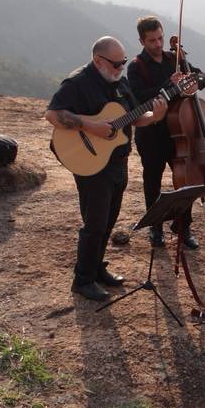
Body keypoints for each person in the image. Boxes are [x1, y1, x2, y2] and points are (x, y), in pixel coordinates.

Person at [45, 37, 167, 302]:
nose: (121, 67)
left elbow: (136, 116)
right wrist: (90, 127)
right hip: (90, 163)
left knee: (109, 220)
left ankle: (97, 269)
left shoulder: (119, 82)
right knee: (95, 223)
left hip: (117, 161)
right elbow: (53, 115)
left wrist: (155, 116)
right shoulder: (78, 82)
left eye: (123, 62)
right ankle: (83, 279)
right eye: (116, 63)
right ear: (99, 61)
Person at [126, 16, 205, 249]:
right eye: (152, 40)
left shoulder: (175, 58)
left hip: (179, 132)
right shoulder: (136, 66)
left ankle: (183, 226)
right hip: (151, 133)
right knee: (152, 180)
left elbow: (202, 76)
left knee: (186, 180)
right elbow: (139, 98)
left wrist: (195, 83)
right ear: (142, 41)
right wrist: (168, 84)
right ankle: (155, 228)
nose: (158, 43)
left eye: (160, 38)